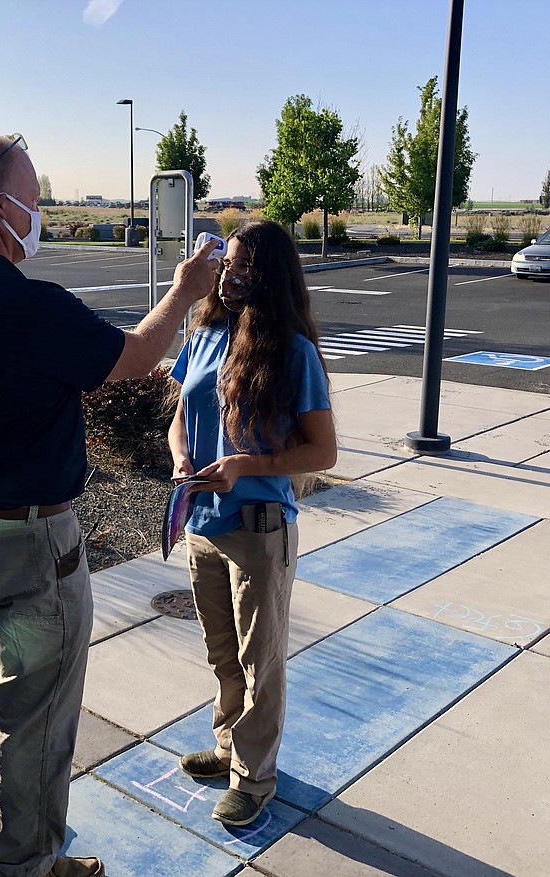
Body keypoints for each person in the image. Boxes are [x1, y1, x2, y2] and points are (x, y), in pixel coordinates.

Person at [0, 132, 217, 877]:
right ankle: (29, 864)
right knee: (33, 717)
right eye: (33, 202)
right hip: (29, 546)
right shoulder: (29, 306)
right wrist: (186, 289)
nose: (40, 214)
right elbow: (137, 358)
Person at [167, 219, 338, 827]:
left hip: (260, 528)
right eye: (228, 264)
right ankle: (227, 746)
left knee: (259, 659)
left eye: (244, 267)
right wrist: (181, 454)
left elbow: (323, 452)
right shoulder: (207, 332)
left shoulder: (293, 352)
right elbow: (180, 412)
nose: (231, 275)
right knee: (223, 655)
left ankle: (254, 776)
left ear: (271, 278)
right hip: (202, 522)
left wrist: (246, 465)